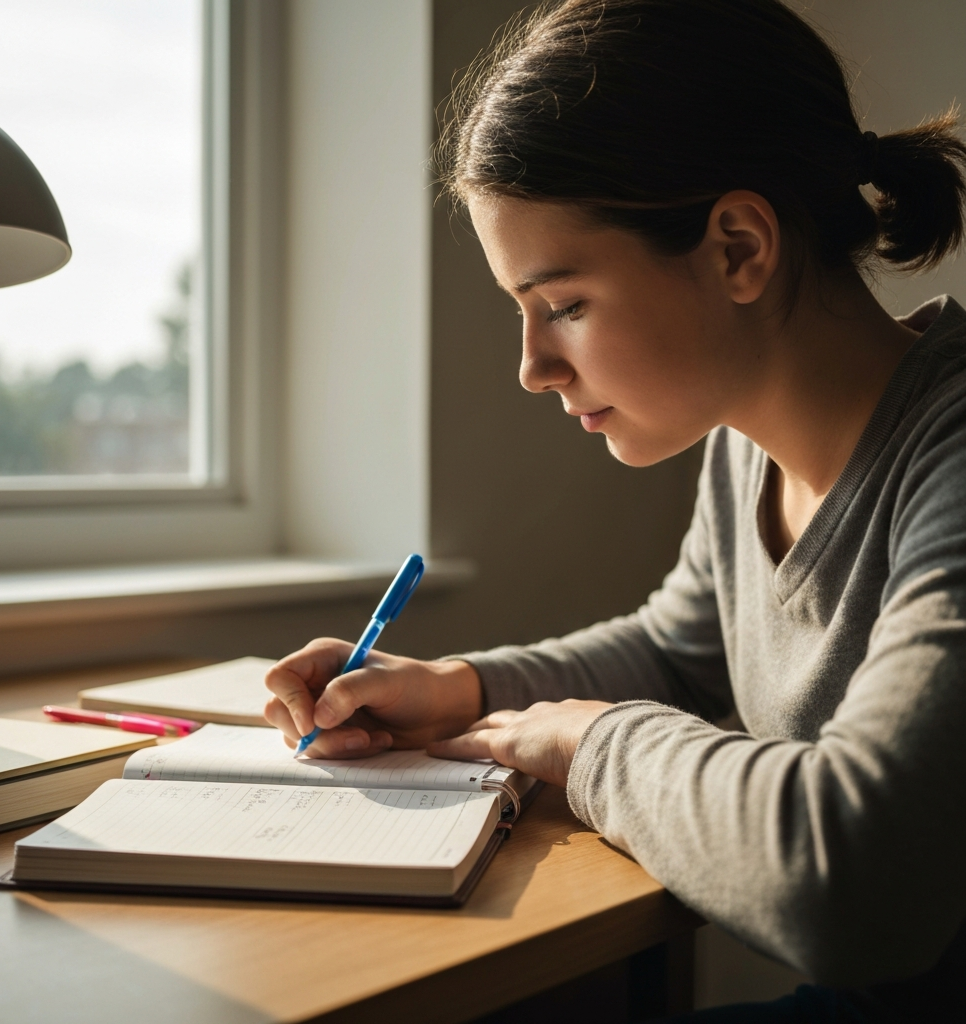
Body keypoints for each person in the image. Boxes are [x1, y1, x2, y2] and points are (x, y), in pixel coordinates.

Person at [264, 0, 966, 1019]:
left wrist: (592, 747)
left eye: (564, 304)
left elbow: (849, 882)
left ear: (737, 247)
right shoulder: (742, 447)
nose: (531, 367)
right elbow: (679, 649)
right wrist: (460, 689)